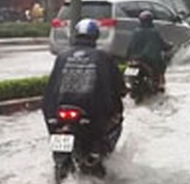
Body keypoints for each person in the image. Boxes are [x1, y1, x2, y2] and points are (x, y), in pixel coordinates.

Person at [43, 19, 126, 153]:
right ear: (95, 36)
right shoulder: (103, 57)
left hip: (59, 107)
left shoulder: (62, 56)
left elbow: (51, 86)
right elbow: (116, 84)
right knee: (115, 120)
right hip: (91, 110)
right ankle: (100, 152)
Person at [126, 9, 170, 91]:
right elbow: (162, 44)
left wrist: (128, 57)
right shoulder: (154, 32)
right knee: (161, 67)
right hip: (150, 60)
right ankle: (159, 83)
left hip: (135, 59)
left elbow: (130, 46)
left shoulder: (135, 32)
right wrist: (169, 46)